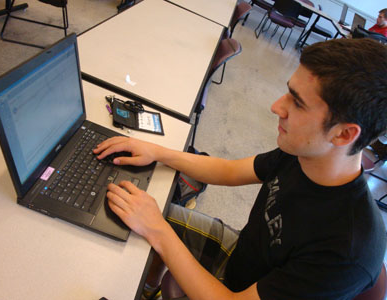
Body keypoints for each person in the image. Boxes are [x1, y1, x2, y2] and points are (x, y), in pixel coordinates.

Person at [93, 38, 387, 300]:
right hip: (239, 256)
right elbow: (228, 171)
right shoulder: (303, 153)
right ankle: (147, 288)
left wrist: (158, 231)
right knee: (135, 208)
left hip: (240, 292)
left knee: (153, 223)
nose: (276, 107)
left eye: (297, 104)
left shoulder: (346, 250)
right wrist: (157, 152)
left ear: (344, 135)